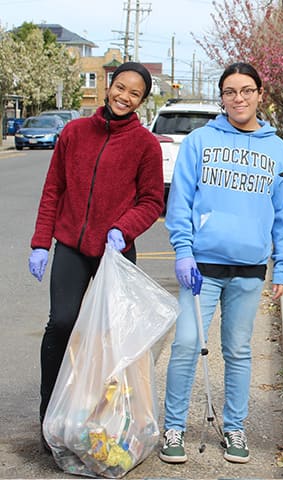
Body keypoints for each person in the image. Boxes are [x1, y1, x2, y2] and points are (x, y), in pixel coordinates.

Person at [160, 62, 283, 465]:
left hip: (250, 269)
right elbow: (180, 202)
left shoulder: (278, 150)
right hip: (201, 267)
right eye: (230, 91)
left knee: (238, 351)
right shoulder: (200, 142)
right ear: (221, 98)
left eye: (246, 90)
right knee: (186, 345)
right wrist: (183, 251)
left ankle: (234, 427)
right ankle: (174, 427)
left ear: (259, 94)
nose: (238, 98)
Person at [28, 62, 164, 451]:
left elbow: (152, 200)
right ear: (108, 87)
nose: (124, 96)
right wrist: (41, 242)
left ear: (141, 100)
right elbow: (54, 188)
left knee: (108, 338)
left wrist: (124, 228)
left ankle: (105, 419)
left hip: (115, 252)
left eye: (134, 93)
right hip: (71, 244)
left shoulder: (145, 144)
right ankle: (50, 417)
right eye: (120, 88)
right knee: (63, 323)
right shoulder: (74, 133)